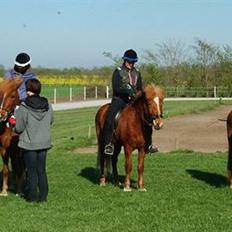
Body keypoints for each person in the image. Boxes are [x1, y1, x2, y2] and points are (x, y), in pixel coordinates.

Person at [102, 49, 159, 156]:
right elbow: (116, 87)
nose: (131, 64)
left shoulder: (137, 73)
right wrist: (127, 91)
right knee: (110, 117)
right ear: (125, 60)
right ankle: (108, 144)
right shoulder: (118, 71)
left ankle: (149, 144)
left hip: (133, 101)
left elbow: (139, 87)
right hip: (119, 99)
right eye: (129, 61)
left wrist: (138, 94)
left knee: (148, 117)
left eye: (133, 62)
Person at [14, 79, 53, 202]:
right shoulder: (48, 104)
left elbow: (19, 128)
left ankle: (32, 197)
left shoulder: (24, 107)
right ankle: (43, 197)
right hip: (44, 142)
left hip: (29, 143)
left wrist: (13, 124)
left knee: (31, 171)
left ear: (27, 90)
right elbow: (51, 121)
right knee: (41, 170)